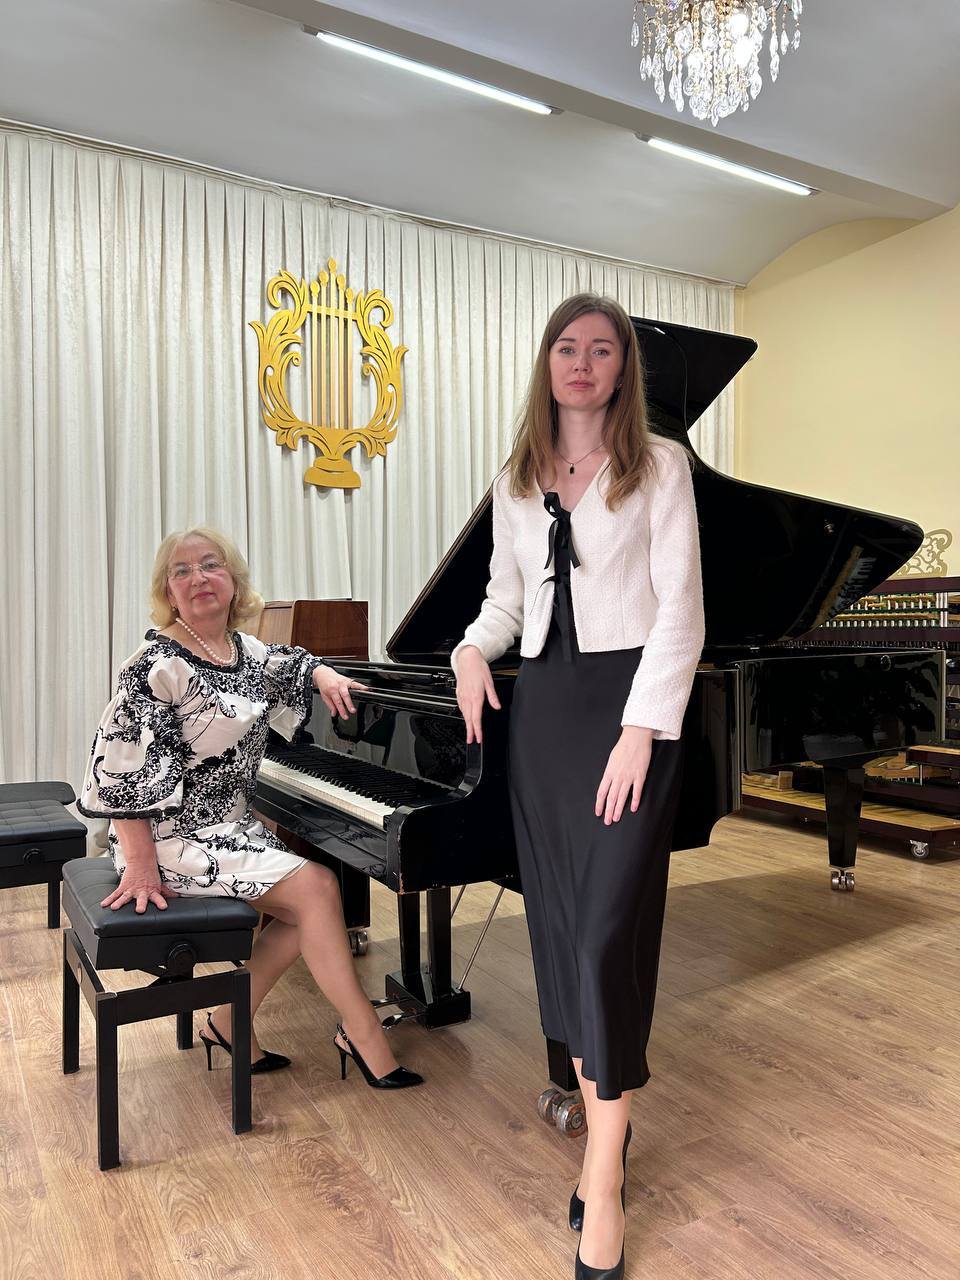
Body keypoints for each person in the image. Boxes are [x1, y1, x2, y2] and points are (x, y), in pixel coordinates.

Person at [453, 294, 704, 1279]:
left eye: (604, 349)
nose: (584, 363)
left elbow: (682, 609)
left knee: (606, 932)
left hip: (632, 707)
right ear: (547, 362)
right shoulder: (517, 480)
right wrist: (471, 651)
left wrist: (642, 730)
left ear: (623, 367)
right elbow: (504, 599)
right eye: (569, 347)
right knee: (560, 924)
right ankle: (609, 1130)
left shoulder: (661, 467)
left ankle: (604, 1178)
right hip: (547, 713)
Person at [78, 526, 422, 1090]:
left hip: (227, 829)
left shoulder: (243, 651)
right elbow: (119, 773)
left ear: (234, 581)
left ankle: (229, 1022)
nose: (198, 578)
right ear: (168, 591)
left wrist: (324, 671)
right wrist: (139, 865)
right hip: (167, 837)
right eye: (182, 571)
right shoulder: (155, 665)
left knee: (305, 911)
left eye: (210, 565)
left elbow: (292, 663)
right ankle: (362, 1031)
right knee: (318, 889)